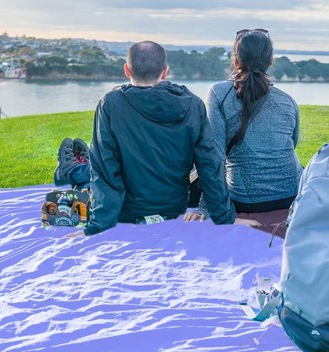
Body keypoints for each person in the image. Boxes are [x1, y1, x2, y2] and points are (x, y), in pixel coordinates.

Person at [55, 41, 258, 236]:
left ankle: (68, 170)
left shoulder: (110, 104)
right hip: (173, 208)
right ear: (165, 71)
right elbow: (210, 164)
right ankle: (71, 169)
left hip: (126, 213)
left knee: (58, 205)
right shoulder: (194, 105)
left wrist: (97, 226)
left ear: (127, 70)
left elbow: (105, 170)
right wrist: (226, 217)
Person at [185, 29, 302, 221]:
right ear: (270, 61)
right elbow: (291, 144)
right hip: (290, 194)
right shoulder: (287, 100)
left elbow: (216, 155)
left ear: (236, 60)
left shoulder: (219, 93)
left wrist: (205, 208)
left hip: (245, 199)